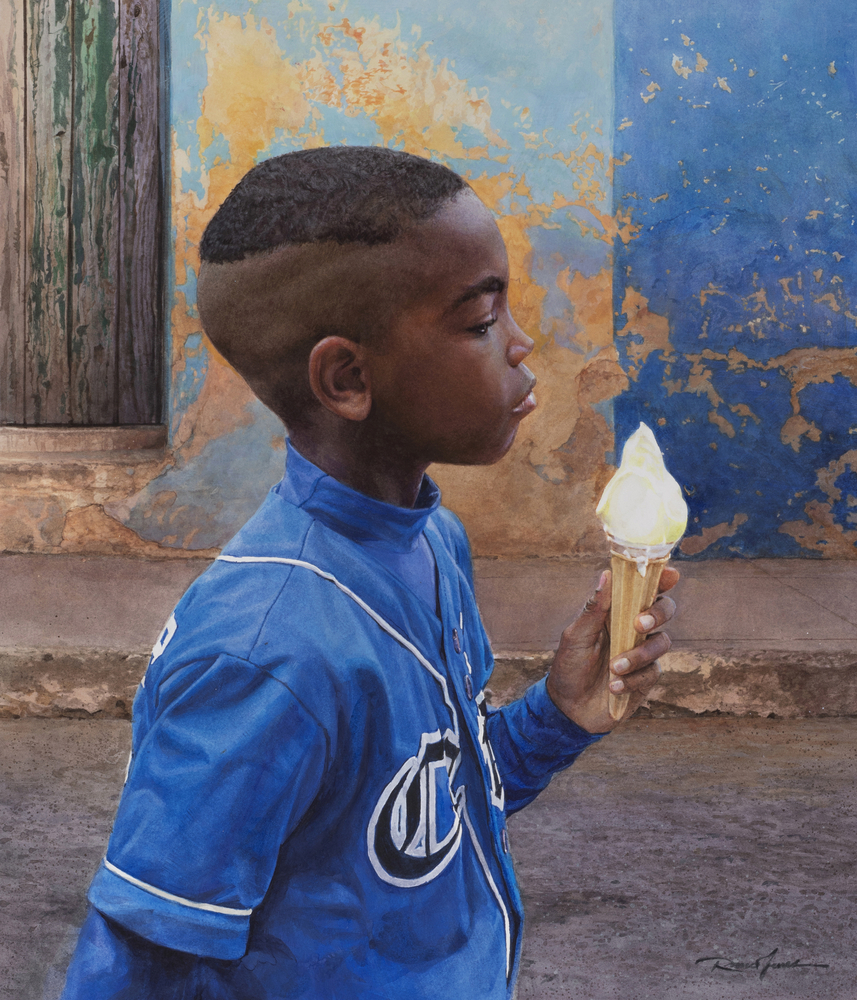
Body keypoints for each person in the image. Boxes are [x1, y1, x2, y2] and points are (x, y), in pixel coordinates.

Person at [60, 146, 677, 999]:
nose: (521, 344)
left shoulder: (431, 544)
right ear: (347, 376)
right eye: (479, 322)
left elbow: (425, 816)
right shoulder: (265, 654)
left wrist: (558, 716)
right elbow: (139, 962)